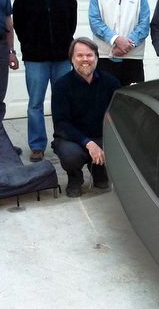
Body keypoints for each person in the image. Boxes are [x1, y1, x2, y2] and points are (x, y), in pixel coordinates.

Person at [13, 0, 77, 163]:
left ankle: (63, 140)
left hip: (62, 59)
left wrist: (64, 47)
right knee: (35, 103)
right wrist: (31, 46)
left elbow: (71, 25)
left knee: (63, 102)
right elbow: (19, 27)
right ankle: (37, 145)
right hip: (36, 60)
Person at [51, 38, 120, 198]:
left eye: (89, 55)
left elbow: (119, 113)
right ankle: (75, 178)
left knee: (119, 147)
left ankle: (99, 171)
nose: (85, 59)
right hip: (73, 139)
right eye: (80, 55)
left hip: (101, 135)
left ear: (96, 57)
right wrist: (88, 143)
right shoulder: (62, 86)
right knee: (70, 155)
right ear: (72, 59)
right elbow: (61, 124)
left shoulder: (110, 82)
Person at [89, 0, 150, 86]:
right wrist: (116, 40)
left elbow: (144, 25)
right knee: (106, 97)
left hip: (133, 59)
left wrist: (127, 45)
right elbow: (95, 22)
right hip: (105, 57)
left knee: (133, 98)